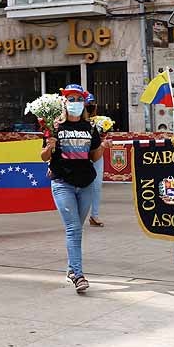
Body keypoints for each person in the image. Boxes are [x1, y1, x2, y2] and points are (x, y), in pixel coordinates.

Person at [40, 84, 105, 294]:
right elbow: (43, 156)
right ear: (64, 102)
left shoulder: (90, 128)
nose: (75, 103)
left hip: (85, 183)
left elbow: (93, 156)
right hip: (62, 183)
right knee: (73, 228)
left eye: (78, 99)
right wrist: (49, 146)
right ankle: (78, 275)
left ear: (84, 103)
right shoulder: (56, 127)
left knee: (77, 230)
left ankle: (71, 269)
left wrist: (103, 147)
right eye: (71, 99)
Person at [85, 93, 105, 228]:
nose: (91, 108)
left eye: (92, 105)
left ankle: (95, 215)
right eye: (88, 105)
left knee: (97, 185)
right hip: (81, 155)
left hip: (96, 153)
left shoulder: (98, 121)